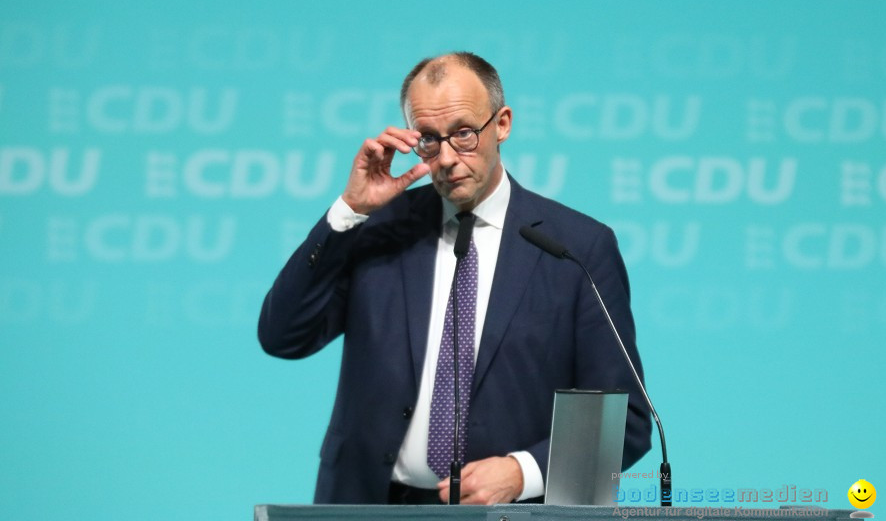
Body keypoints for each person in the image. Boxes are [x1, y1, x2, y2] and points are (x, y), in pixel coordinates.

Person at [258, 52, 651, 504]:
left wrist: (522, 473)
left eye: (464, 133)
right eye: (427, 139)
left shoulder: (577, 248)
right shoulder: (378, 228)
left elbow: (625, 421)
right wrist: (349, 212)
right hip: (367, 505)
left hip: (508, 513)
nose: (446, 158)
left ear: (501, 124)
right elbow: (283, 337)